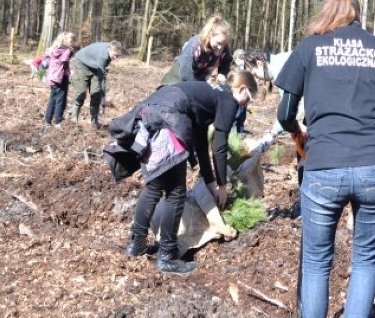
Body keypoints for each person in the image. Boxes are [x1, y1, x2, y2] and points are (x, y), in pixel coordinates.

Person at [274, 0, 375, 318]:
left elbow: (284, 113)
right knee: (366, 260)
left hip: (324, 163)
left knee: (316, 261)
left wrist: (298, 134)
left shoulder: (308, 49)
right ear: (358, 15)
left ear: (327, 13)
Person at [124, 72, 258, 274]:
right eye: (248, 98)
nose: (245, 105)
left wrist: (211, 182)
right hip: (170, 123)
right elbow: (219, 147)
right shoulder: (228, 100)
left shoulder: (209, 95)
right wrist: (222, 186)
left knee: (154, 186)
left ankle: (136, 244)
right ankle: (168, 256)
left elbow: (202, 143)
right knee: (175, 193)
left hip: (149, 117)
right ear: (241, 89)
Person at [160, 15, 233, 86]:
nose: (220, 47)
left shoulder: (223, 47)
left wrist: (222, 74)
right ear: (210, 35)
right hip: (178, 78)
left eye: (224, 44)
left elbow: (227, 61)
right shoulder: (195, 46)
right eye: (218, 43)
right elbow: (185, 76)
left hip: (199, 78)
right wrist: (205, 78)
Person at [69, 40, 124, 128]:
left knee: (96, 93)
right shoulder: (103, 56)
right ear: (109, 50)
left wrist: (101, 95)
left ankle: (94, 121)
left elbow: (101, 74)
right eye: (114, 55)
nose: (116, 58)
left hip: (95, 66)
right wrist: (104, 97)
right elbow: (101, 78)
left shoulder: (110, 52)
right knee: (81, 92)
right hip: (82, 64)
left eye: (118, 56)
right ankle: (73, 118)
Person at [43, 31, 75, 126]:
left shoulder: (54, 48)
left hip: (52, 76)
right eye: (71, 40)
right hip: (61, 77)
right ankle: (58, 121)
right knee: (61, 99)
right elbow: (64, 60)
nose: (72, 42)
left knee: (53, 97)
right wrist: (67, 71)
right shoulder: (67, 50)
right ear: (65, 39)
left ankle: (48, 120)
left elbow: (46, 58)